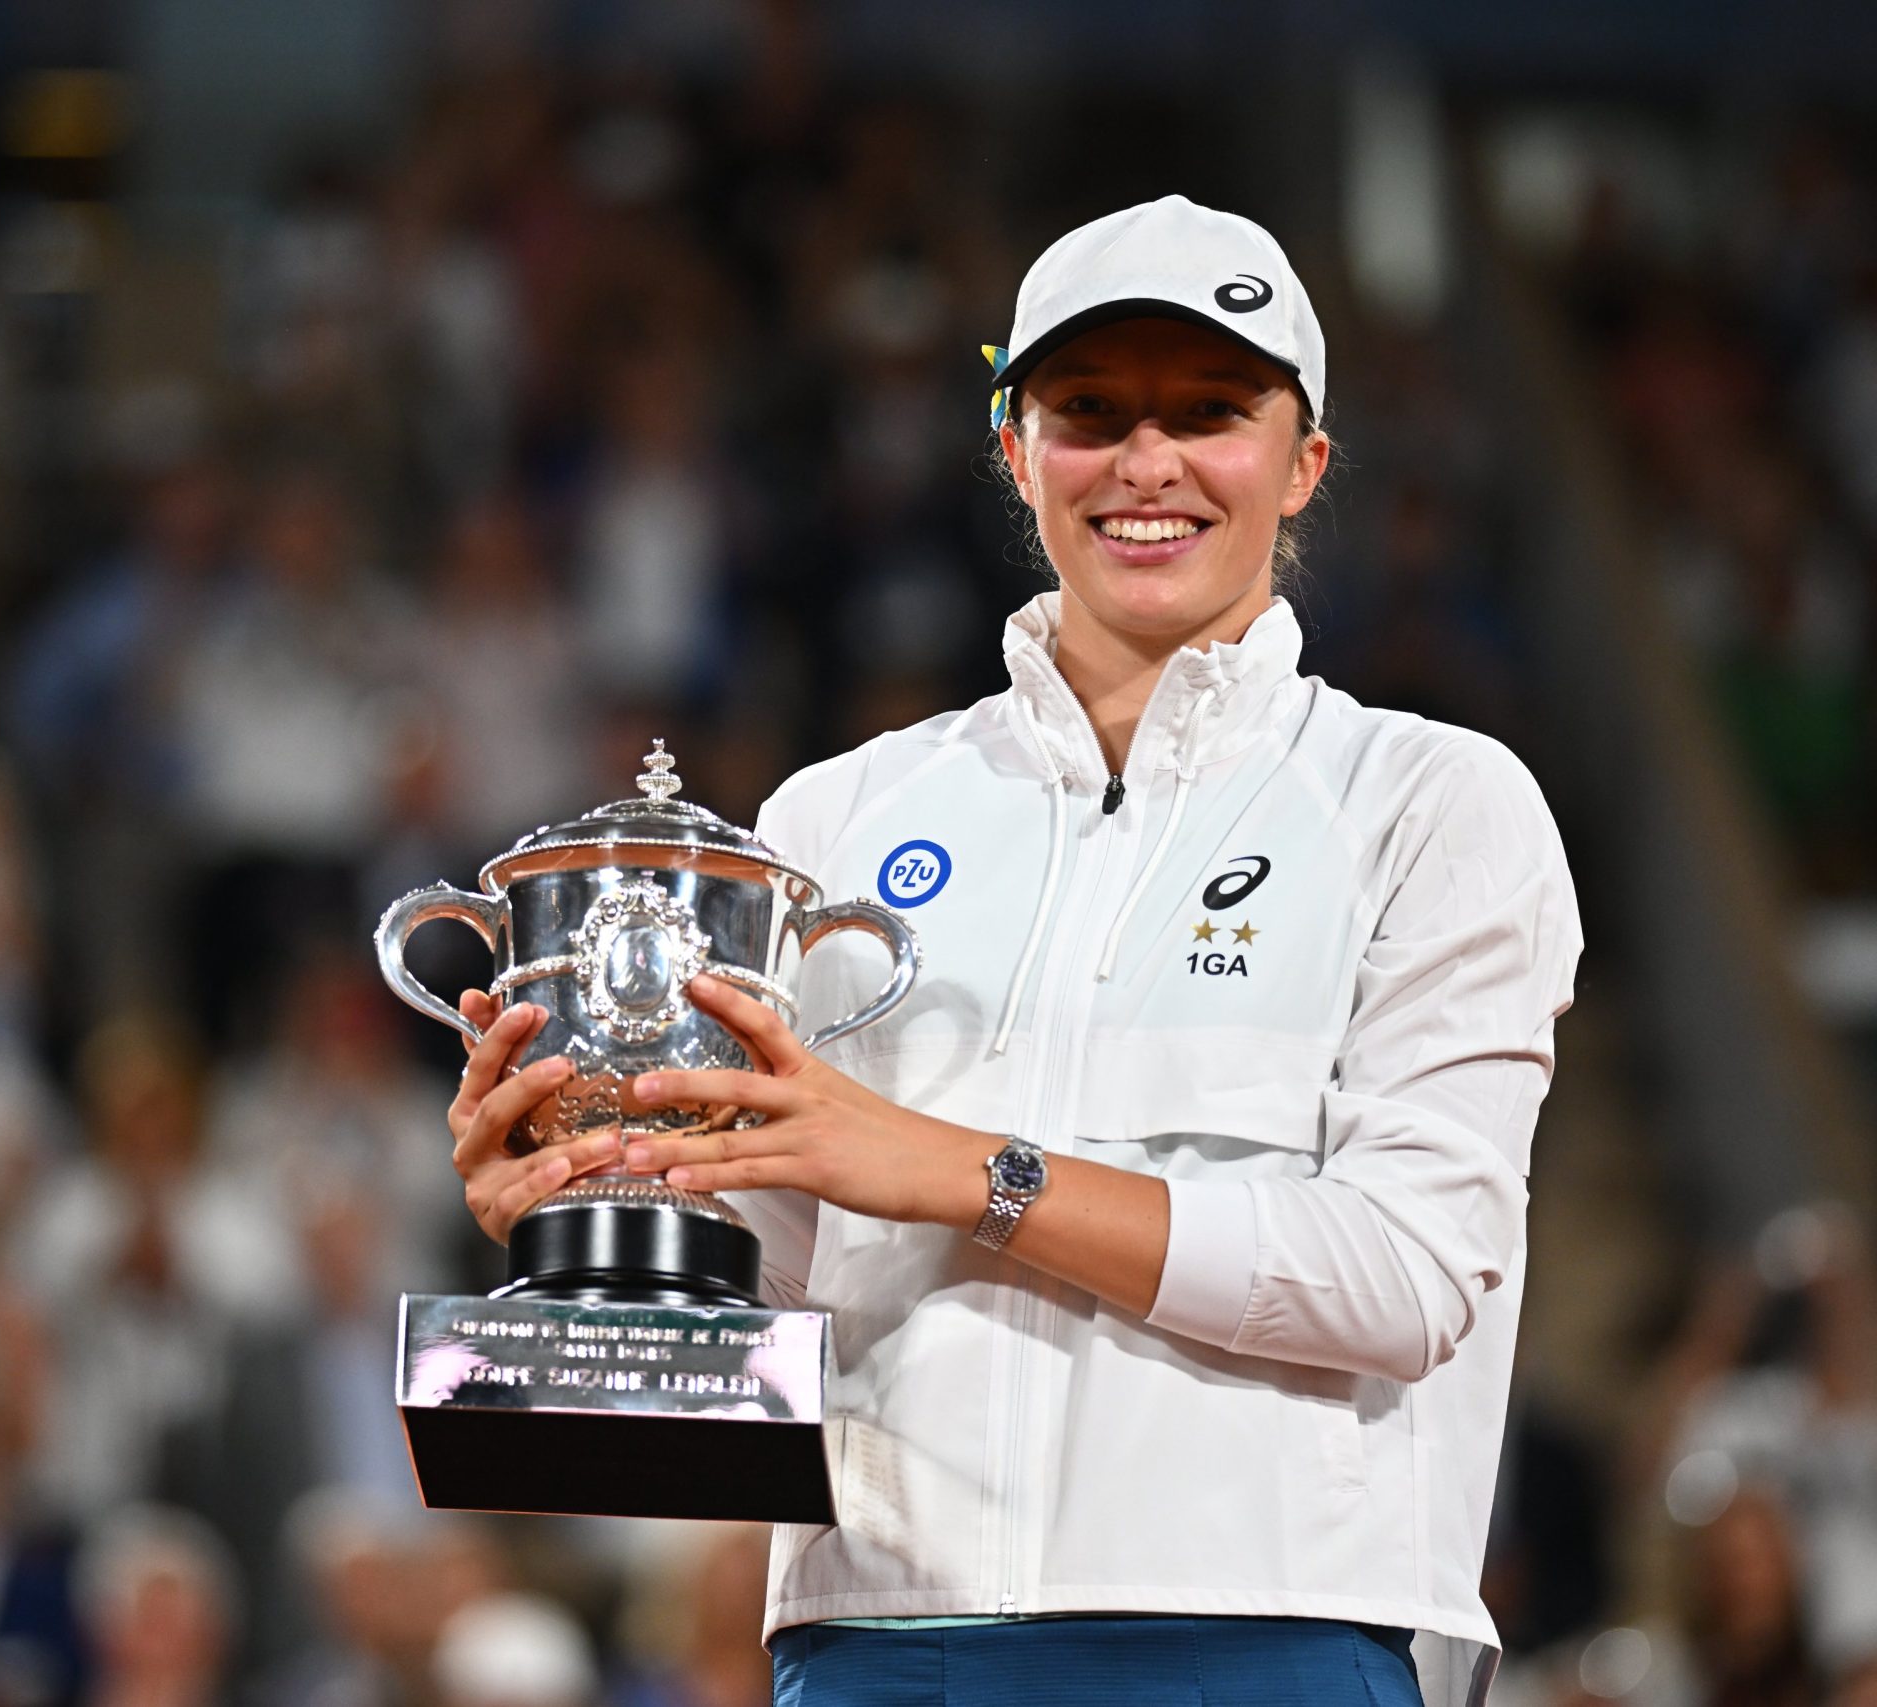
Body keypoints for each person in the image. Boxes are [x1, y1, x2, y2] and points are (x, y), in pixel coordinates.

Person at [442, 195, 1584, 1706]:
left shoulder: (1432, 804)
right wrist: (586, 1226)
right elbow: (767, 1327)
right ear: (1016, 452)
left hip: (1278, 1637)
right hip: (881, 1645)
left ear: (1304, 462)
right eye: (1091, 412)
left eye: (1210, 412)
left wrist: (973, 1172)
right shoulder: (834, 817)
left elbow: (1403, 1275)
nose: (1148, 463)